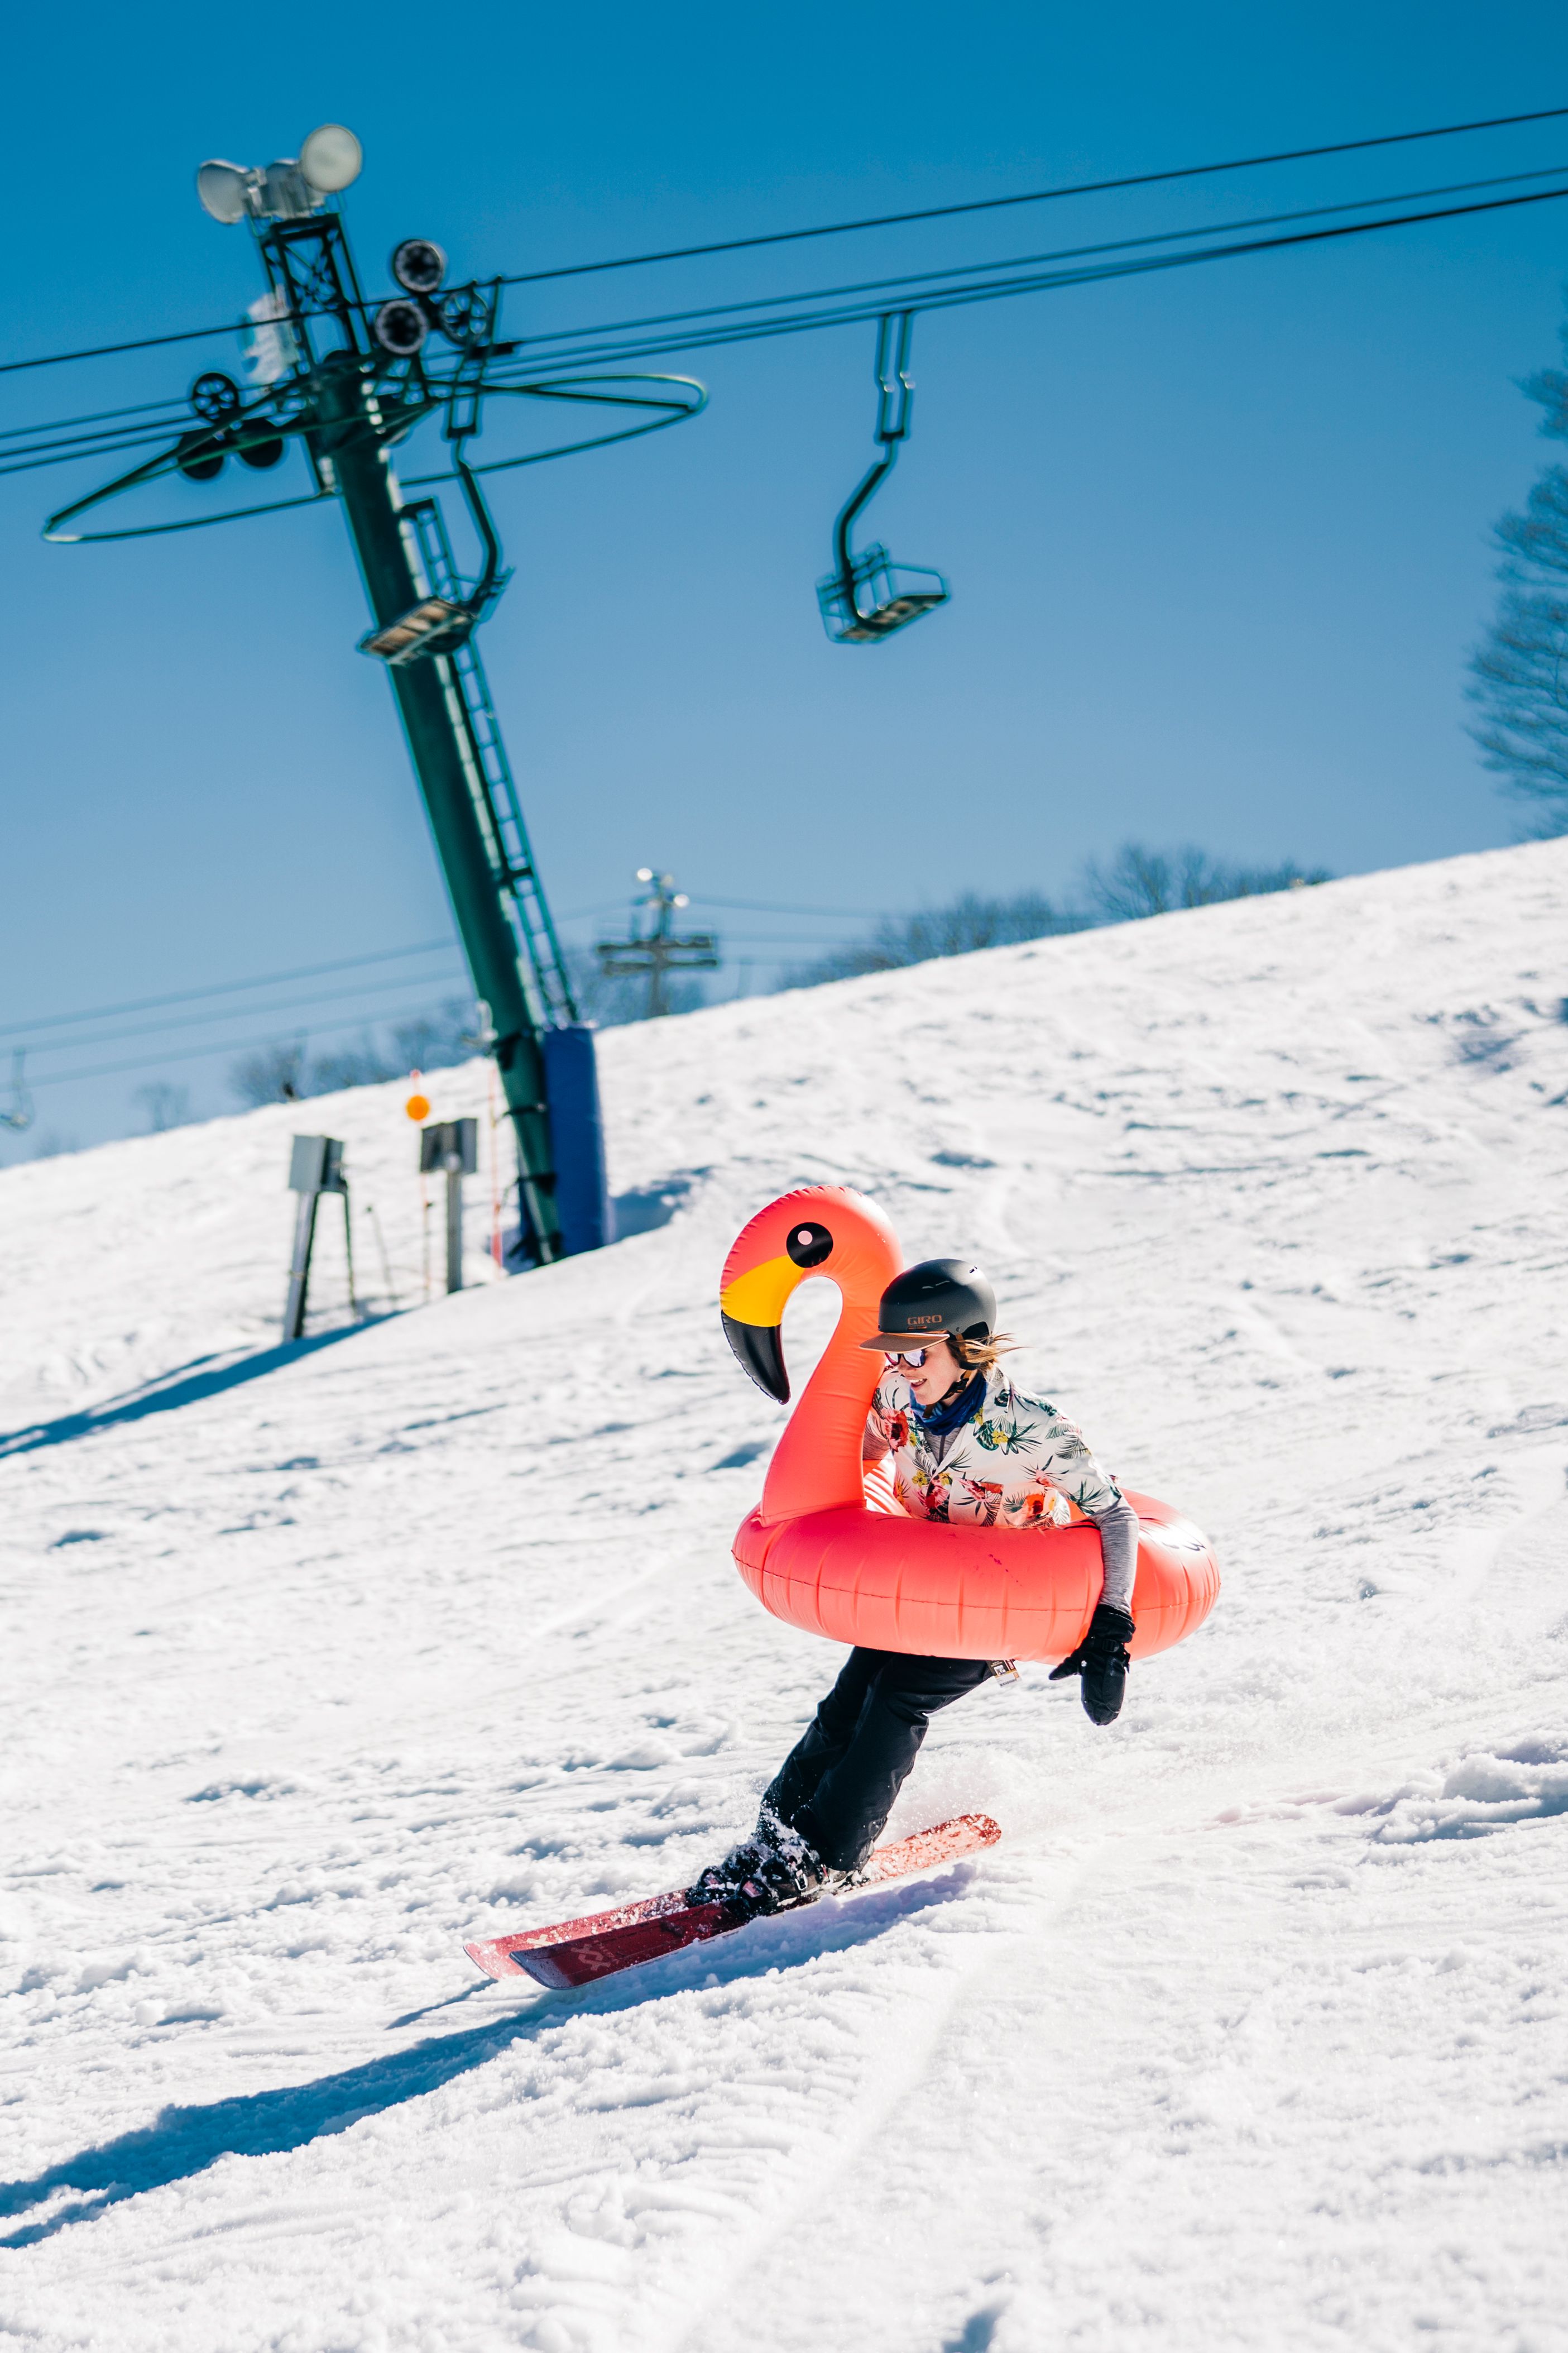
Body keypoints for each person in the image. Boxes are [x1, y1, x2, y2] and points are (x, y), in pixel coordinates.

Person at [689, 1257, 1139, 1916]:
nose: (900, 1366)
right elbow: (869, 1448)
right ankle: (777, 1835)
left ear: (965, 1343)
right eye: (894, 1353)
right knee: (854, 1689)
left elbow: (1114, 1513)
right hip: (921, 1589)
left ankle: (824, 1856)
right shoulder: (897, 1394)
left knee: (899, 1698)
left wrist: (1111, 1630)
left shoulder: (1032, 1427)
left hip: (1000, 1600)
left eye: (915, 1352)